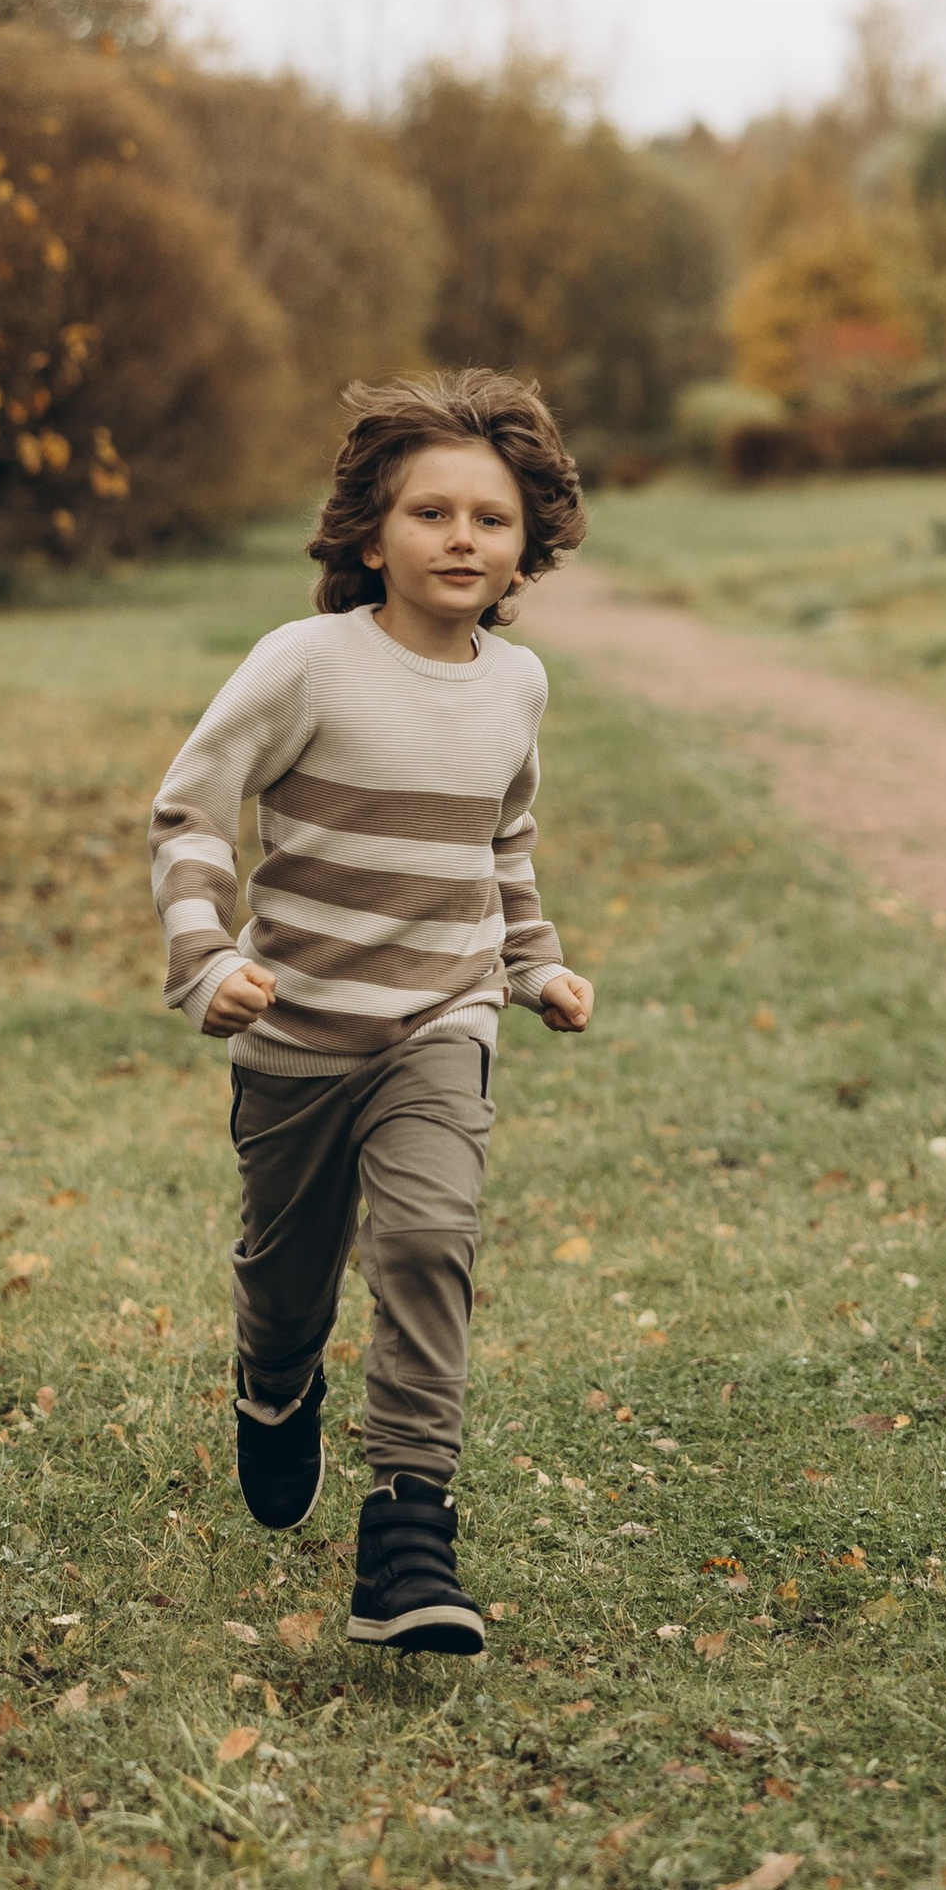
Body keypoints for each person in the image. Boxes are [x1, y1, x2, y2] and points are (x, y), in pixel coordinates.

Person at [146, 370, 595, 1655]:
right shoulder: (306, 667)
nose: (462, 540)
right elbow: (190, 812)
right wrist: (204, 959)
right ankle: (273, 1388)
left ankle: (409, 1531)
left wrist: (532, 964)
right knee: (287, 1291)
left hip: (437, 1022)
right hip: (295, 1033)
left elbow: (499, 840)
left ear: (527, 542)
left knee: (427, 1241)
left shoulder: (516, 687)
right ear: (369, 533)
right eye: (431, 513)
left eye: (490, 520)